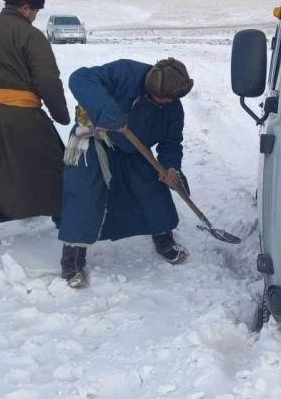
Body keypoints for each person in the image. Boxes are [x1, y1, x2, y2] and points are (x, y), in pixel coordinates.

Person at [58, 58, 193, 287]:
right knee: (85, 196)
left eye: (169, 100)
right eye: (161, 98)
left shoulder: (172, 106)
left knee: (152, 187)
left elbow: (171, 142)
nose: (165, 103)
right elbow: (79, 78)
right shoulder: (126, 72)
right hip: (96, 139)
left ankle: (164, 241)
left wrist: (172, 169)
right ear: (150, 88)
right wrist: (106, 109)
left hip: (133, 148)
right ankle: (72, 262)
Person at [0, 0, 70, 256]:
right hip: (23, 115)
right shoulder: (30, 35)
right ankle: (67, 225)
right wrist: (61, 115)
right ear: (24, 7)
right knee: (50, 168)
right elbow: (47, 78)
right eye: (35, 11)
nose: (35, 16)